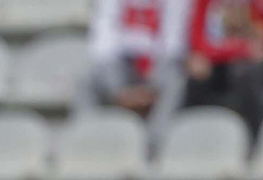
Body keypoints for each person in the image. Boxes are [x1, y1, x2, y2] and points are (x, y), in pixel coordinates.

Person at [76, 0, 192, 143]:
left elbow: (174, 42)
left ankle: (155, 141)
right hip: (121, 65)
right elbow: (102, 42)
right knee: (86, 81)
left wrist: (151, 87)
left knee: (175, 79)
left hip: (157, 65)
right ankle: (88, 138)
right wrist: (119, 89)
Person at [185, 0, 263, 139]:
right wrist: (239, 49)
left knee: (244, 74)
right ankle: (195, 137)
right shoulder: (203, 3)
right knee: (196, 76)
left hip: (246, 65)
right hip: (218, 61)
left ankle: (255, 139)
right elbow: (198, 42)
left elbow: (259, 42)